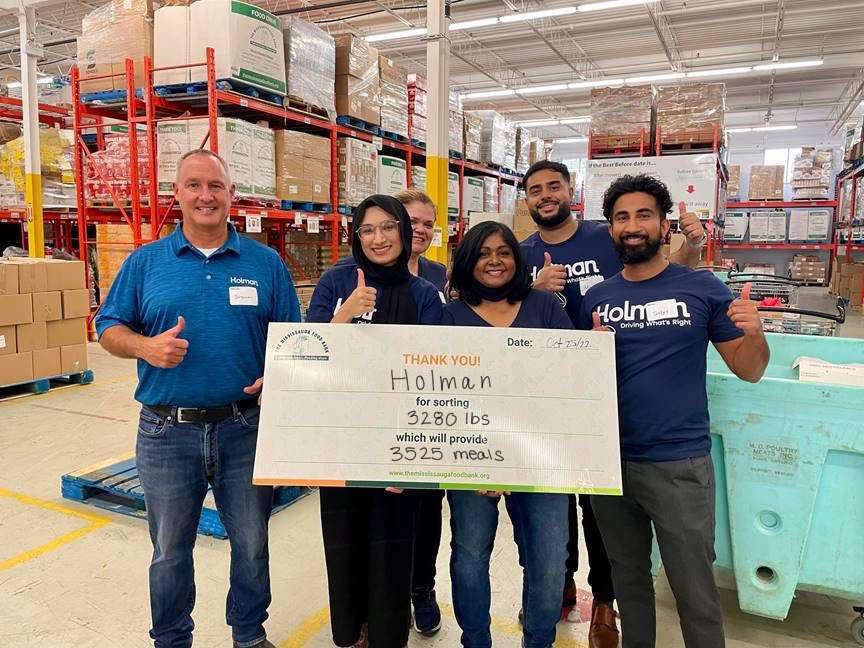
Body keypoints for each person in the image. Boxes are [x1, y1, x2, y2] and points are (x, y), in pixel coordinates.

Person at [96, 149, 301, 648]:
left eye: (215, 185)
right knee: (169, 549)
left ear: (232, 194)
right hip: (167, 433)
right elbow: (106, 327)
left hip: (244, 428)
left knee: (251, 544)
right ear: (178, 195)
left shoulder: (265, 263)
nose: (205, 195)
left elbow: (294, 339)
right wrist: (146, 346)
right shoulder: (146, 263)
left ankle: (249, 635)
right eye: (193, 185)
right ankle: (170, 638)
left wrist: (278, 376)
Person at [519, 160, 707, 648]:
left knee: (602, 519)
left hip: (622, 407)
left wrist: (696, 246)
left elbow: (663, 275)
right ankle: (560, 581)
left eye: (554, 186)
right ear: (527, 199)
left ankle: (604, 602)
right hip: (559, 393)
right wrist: (532, 290)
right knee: (555, 504)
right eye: (535, 189)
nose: (545, 195)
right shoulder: (520, 254)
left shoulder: (608, 234)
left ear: (569, 191)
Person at [581, 174, 769, 648]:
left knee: (693, 588)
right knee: (629, 582)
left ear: (665, 224)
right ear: (611, 230)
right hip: (612, 465)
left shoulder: (702, 288)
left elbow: (749, 370)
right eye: (621, 217)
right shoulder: (598, 299)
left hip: (679, 465)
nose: (632, 225)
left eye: (644, 214)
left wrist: (755, 332)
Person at [306, 194, 444, 648]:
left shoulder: (424, 295)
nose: (378, 238)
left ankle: (386, 632)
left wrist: (408, 457)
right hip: (341, 439)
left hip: (396, 442)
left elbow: (431, 375)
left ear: (404, 233)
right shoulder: (335, 281)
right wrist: (345, 314)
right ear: (355, 236)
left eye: (388, 227)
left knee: (391, 544)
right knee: (344, 539)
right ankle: (352, 632)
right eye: (367, 229)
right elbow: (308, 357)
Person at [443, 221, 571, 648]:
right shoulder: (448, 318)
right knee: (471, 556)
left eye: (504, 252)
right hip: (469, 458)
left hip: (542, 455)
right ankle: (475, 640)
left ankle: (539, 640)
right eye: (482, 253)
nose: (494, 261)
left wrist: (590, 350)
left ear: (518, 260)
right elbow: (434, 393)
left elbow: (570, 380)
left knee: (550, 561)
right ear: (467, 262)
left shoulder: (546, 307)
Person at [394, 189, 446, 636]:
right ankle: (387, 593)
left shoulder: (438, 274)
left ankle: (422, 589)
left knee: (428, 508)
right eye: (412, 221)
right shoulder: (356, 275)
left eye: (428, 223)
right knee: (388, 510)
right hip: (384, 410)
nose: (421, 230)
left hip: (428, 411)